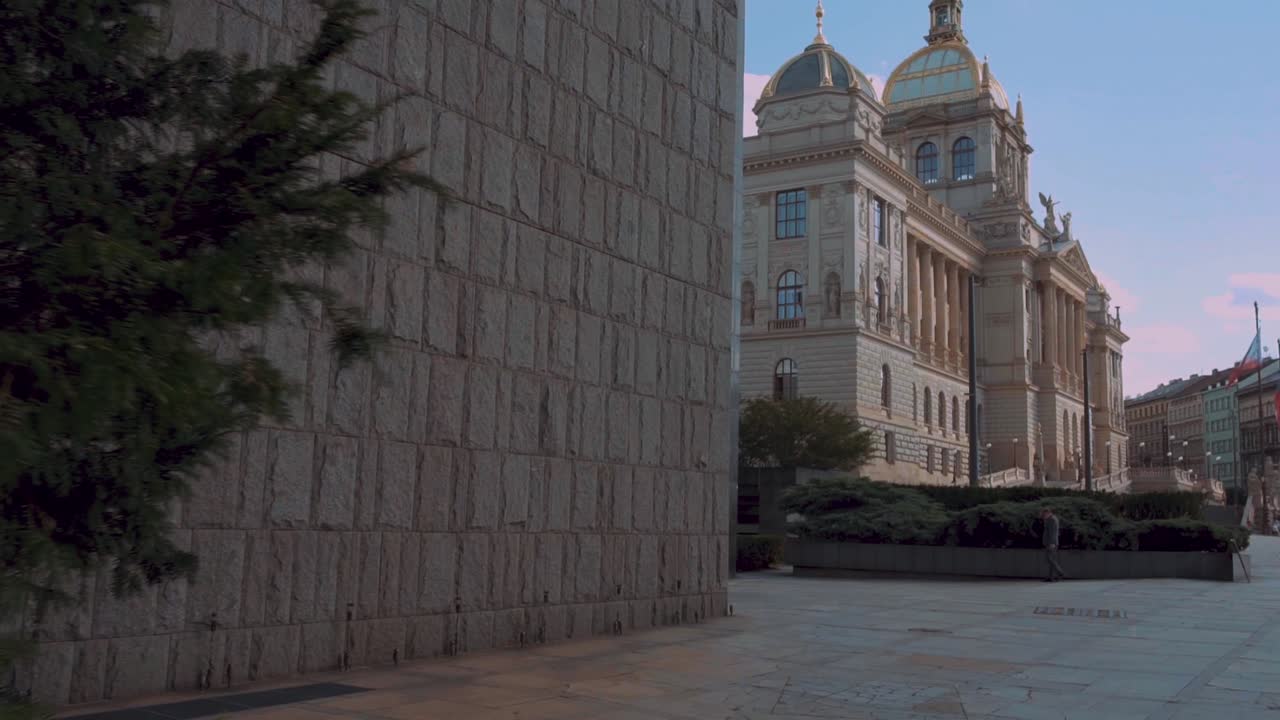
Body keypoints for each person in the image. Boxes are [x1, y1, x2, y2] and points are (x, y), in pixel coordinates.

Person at [1041, 507, 1066, 582]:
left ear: (1048, 513)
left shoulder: (1051, 520)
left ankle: (1060, 573)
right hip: (1051, 543)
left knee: (1050, 559)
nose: (1043, 516)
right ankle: (1050, 577)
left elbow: (1053, 533)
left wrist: (1052, 543)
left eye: (1044, 514)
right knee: (1051, 560)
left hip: (1051, 543)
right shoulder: (1051, 519)